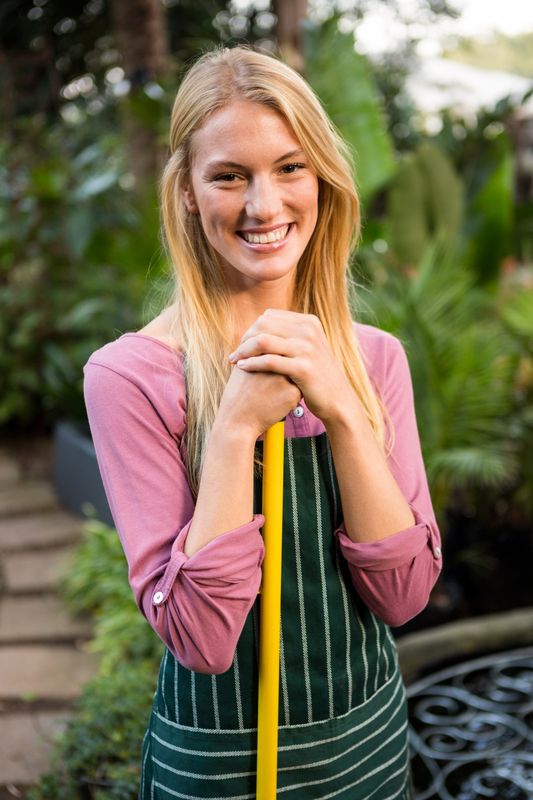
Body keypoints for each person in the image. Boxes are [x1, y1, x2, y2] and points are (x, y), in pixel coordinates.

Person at [83, 44, 442, 800]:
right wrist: (232, 430)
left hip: (367, 747)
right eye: (228, 176)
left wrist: (344, 411)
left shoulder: (375, 358)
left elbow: (404, 596)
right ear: (186, 191)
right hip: (220, 768)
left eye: (289, 167)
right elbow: (201, 640)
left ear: (322, 177)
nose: (264, 205)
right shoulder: (130, 378)